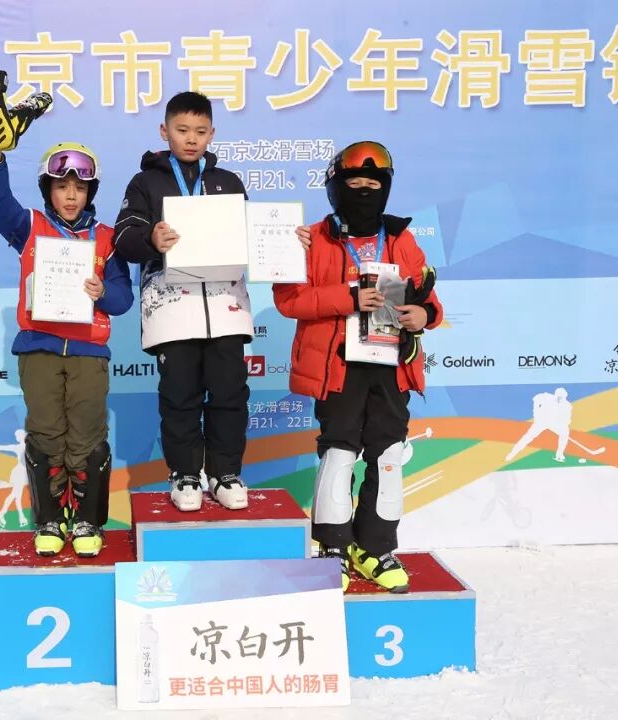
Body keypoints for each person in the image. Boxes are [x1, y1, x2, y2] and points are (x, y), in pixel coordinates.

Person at [274, 141, 444, 593]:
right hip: (339, 366)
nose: (365, 190)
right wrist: (347, 297)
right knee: (339, 452)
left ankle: (375, 548)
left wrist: (423, 314)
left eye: (374, 183)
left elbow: (429, 300)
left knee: (388, 455)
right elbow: (289, 301)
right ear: (336, 187)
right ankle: (332, 548)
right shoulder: (312, 237)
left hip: (391, 364)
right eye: (355, 183)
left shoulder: (402, 239)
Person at [0, 127, 134, 557]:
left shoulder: (107, 238)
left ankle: (87, 519)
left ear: (90, 192)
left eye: (79, 188)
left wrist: (102, 291)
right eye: (62, 186)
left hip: (88, 353)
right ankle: (49, 518)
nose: (71, 196)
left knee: (86, 436)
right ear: (47, 189)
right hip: (39, 348)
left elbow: (124, 299)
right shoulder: (29, 226)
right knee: (46, 434)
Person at [113, 90, 253, 512]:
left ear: (212, 133)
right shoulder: (145, 183)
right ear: (164, 131)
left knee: (230, 394)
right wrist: (150, 238)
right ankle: (186, 473)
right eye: (182, 130)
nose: (191, 139)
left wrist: (280, 241)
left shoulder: (229, 183)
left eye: (200, 131)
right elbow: (123, 239)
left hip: (226, 309)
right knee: (180, 396)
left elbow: (250, 237)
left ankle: (226, 473)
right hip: (172, 312)